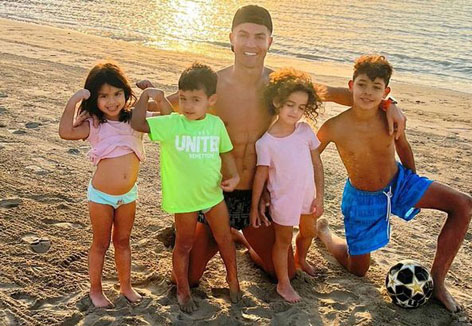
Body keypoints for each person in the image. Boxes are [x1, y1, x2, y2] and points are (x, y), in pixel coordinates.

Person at [137, 5, 407, 284]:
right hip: (214, 196)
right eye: (243, 35)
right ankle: (221, 233)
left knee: (284, 273)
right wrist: (129, 105)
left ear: (270, 42)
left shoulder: (280, 84)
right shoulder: (212, 84)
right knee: (188, 279)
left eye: (259, 36)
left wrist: (389, 103)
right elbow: (166, 110)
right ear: (231, 38)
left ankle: (245, 240)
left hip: (256, 198)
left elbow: (345, 94)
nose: (250, 43)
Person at [315, 55, 472, 312]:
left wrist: (415, 184)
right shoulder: (333, 126)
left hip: (398, 183)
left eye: (376, 87)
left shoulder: (389, 116)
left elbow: (403, 146)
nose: (368, 93)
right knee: (358, 270)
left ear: (386, 92)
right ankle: (324, 234)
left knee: (464, 204)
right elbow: (310, 156)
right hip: (362, 199)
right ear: (351, 85)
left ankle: (439, 283)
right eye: (362, 85)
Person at [131, 63, 241, 313]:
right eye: (183, 99)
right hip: (184, 200)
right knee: (184, 244)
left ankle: (233, 279)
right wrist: (147, 96)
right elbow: (138, 123)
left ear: (211, 100)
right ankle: (182, 289)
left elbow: (227, 153)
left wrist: (233, 176)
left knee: (225, 239)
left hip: (213, 195)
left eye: (195, 99)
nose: (188, 105)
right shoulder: (172, 124)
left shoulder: (215, 125)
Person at [58, 62, 158, 308]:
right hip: (101, 196)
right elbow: (64, 132)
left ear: (125, 93)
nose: (111, 101)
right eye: (103, 96)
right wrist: (74, 101)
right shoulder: (94, 123)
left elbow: (166, 116)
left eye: (116, 94)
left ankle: (126, 286)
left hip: (128, 195)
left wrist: (152, 91)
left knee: (123, 241)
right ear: (95, 99)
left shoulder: (135, 119)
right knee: (101, 243)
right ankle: (96, 290)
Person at [250, 68, 324, 302]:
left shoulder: (305, 131)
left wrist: (320, 196)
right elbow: (260, 177)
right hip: (283, 201)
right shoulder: (266, 142)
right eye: (290, 105)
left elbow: (317, 164)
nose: (295, 112)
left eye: (301, 107)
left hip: (307, 197)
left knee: (309, 231)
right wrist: (255, 207)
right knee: (283, 242)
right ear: (277, 102)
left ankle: (301, 259)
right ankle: (283, 284)